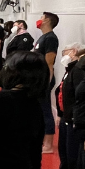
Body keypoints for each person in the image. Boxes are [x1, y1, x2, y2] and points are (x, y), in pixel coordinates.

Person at [54, 44, 85, 169]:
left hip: (74, 116)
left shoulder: (79, 71)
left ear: (74, 52)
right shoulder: (69, 70)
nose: (63, 55)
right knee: (64, 146)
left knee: (73, 150)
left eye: (65, 52)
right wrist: (60, 112)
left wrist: (75, 116)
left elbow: (79, 95)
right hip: (65, 113)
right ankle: (65, 168)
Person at [33, 12, 61, 154]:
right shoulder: (42, 38)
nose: (39, 19)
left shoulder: (51, 38)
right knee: (37, 110)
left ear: (47, 21)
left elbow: (49, 62)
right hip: (37, 78)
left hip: (45, 78)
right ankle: (42, 139)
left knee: (45, 110)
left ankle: (49, 145)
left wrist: (46, 82)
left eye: (41, 17)